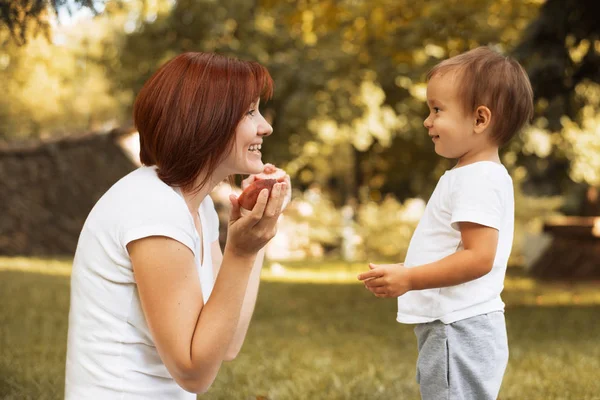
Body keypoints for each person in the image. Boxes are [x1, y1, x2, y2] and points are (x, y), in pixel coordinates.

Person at [64, 52, 291, 399]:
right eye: (249, 111)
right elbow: (194, 373)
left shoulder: (198, 209)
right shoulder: (152, 208)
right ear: (206, 121)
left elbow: (226, 344)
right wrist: (240, 254)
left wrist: (254, 237)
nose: (265, 126)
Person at [357, 46, 534, 400]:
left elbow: (478, 257)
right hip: (462, 326)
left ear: (480, 119)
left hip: (458, 327)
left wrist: (409, 278)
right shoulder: (478, 175)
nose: (427, 120)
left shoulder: (476, 179)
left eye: (437, 110)